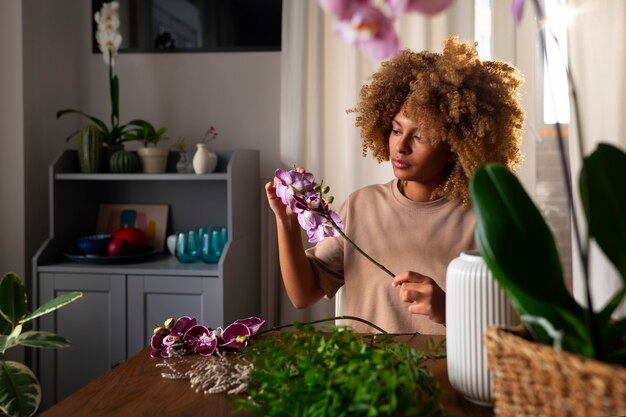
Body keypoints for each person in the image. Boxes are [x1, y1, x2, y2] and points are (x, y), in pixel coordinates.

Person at [265, 36, 524, 334]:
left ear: (457, 146)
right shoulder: (361, 207)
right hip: (364, 375)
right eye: (396, 130)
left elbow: (512, 328)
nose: (400, 146)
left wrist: (449, 310)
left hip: (447, 377)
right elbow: (302, 295)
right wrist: (286, 225)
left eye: (421, 136)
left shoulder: (483, 221)